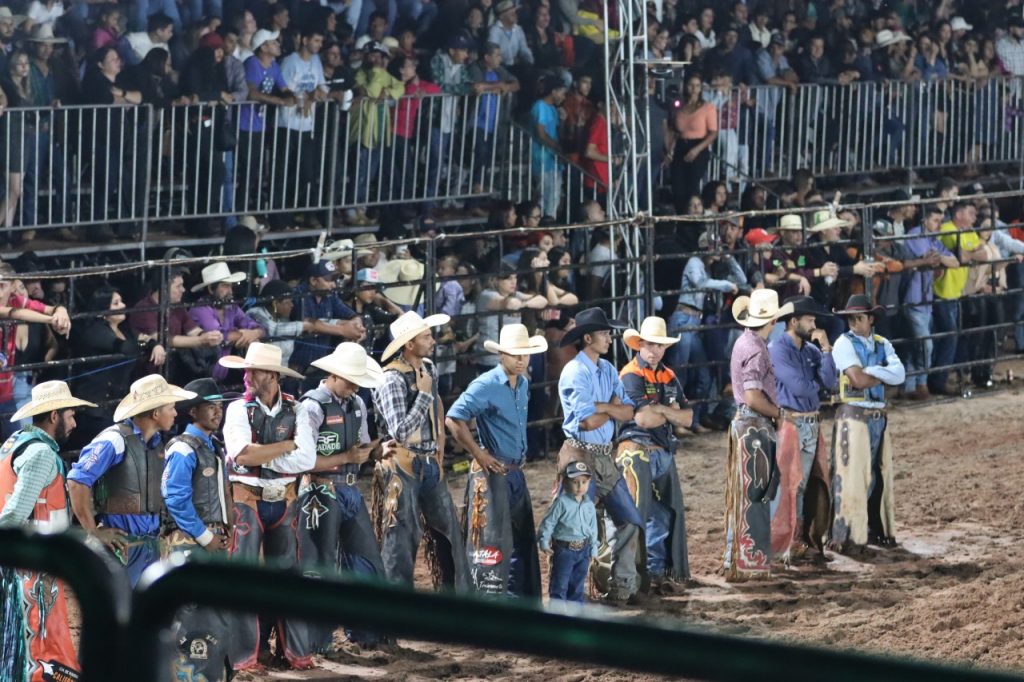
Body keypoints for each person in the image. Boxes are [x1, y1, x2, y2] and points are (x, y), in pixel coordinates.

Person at [218, 343, 311, 671]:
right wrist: (286, 445)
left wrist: (264, 452)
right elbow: (242, 455)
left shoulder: (295, 408)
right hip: (252, 499)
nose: (247, 376)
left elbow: (307, 458)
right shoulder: (238, 409)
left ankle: (287, 652)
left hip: (275, 498)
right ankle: (246, 656)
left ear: (271, 375)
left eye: (253, 370)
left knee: (284, 575)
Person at [292, 343, 388, 650]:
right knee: (319, 566)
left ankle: (366, 632)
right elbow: (302, 460)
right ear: (333, 375)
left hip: (348, 488)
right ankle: (316, 642)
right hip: (319, 490)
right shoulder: (311, 406)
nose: (355, 386)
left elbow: (360, 447)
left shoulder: (357, 403)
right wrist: (348, 455)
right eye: (350, 379)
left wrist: (373, 451)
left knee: (366, 562)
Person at [0, 381, 94, 682]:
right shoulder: (40, 454)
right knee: (41, 646)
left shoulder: (13, 443)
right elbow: (15, 512)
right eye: (71, 415)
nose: (75, 422)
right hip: (33, 568)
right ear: (54, 415)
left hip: (24, 564)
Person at [372, 311, 470, 591]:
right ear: (409, 344)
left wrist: (439, 447)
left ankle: (456, 598)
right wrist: (424, 394)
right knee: (401, 535)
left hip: (426, 460)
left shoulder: (428, 368)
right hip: (401, 464)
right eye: (426, 336)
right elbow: (399, 432)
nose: (433, 340)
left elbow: (437, 404)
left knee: (448, 528)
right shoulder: (390, 379)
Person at [446, 323, 546, 598]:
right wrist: (479, 454)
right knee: (490, 541)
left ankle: (515, 602)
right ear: (502, 354)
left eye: (524, 354)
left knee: (516, 539)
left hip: (513, 469)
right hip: (493, 470)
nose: (521, 359)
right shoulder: (487, 384)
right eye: (515, 354)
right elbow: (454, 418)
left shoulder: (522, 384)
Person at [67, 375, 195, 586]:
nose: (175, 412)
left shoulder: (155, 444)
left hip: (148, 545)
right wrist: (93, 531)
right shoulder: (114, 440)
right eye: (171, 407)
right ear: (156, 413)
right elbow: (76, 481)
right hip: (121, 548)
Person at [556, 307, 643, 605]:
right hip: (579, 455)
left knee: (629, 521)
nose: (609, 337)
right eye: (605, 333)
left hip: (602, 456)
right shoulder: (575, 371)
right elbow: (586, 422)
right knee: (575, 530)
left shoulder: (605, 368)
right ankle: (569, 599)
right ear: (589, 337)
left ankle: (620, 587)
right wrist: (610, 408)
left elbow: (627, 410)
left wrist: (601, 407)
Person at [161, 378, 234, 682]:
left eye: (219, 406)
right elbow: (175, 497)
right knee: (190, 614)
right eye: (210, 406)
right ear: (192, 411)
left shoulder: (210, 446)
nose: (218, 412)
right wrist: (206, 536)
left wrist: (224, 530)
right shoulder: (183, 448)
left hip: (208, 538)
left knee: (210, 611)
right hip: (190, 541)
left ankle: (208, 674)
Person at [617, 317, 694, 593]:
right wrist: (668, 410)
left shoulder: (666, 375)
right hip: (638, 451)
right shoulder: (630, 375)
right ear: (640, 345)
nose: (654, 350)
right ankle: (642, 574)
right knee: (648, 512)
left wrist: (660, 410)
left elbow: (687, 417)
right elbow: (642, 420)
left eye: (659, 345)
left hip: (658, 450)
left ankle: (653, 572)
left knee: (661, 514)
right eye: (650, 345)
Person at [829, 295, 905, 553]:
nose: (853, 323)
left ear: (870, 319)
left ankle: (868, 531)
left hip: (874, 417)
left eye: (858, 318)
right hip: (855, 416)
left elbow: (898, 374)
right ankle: (848, 536)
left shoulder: (882, 343)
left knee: (874, 476)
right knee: (853, 477)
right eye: (851, 318)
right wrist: (882, 375)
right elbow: (857, 380)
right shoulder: (843, 343)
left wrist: (869, 374)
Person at [724, 289, 791, 581]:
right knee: (757, 494)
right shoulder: (756, 348)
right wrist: (778, 413)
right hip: (754, 426)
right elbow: (752, 396)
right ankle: (750, 562)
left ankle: (735, 558)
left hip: (746, 425)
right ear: (773, 319)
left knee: (745, 493)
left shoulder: (745, 341)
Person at [767, 296, 837, 564]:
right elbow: (800, 387)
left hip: (807, 422)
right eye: (810, 319)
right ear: (794, 321)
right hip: (794, 423)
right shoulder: (778, 350)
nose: (814, 324)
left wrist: (827, 349)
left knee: (806, 483)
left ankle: (797, 540)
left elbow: (829, 382)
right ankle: (790, 542)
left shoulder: (810, 350)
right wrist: (817, 387)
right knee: (793, 484)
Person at [537, 460, 599, 604]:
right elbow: (549, 522)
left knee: (577, 585)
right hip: (564, 550)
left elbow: (593, 527)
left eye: (584, 482)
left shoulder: (589, 505)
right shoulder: (561, 503)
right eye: (575, 482)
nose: (580, 486)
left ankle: (575, 614)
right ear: (565, 482)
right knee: (560, 584)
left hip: (583, 550)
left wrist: (594, 548)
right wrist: (544, 541)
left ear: (589, 483)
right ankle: (557, 616)